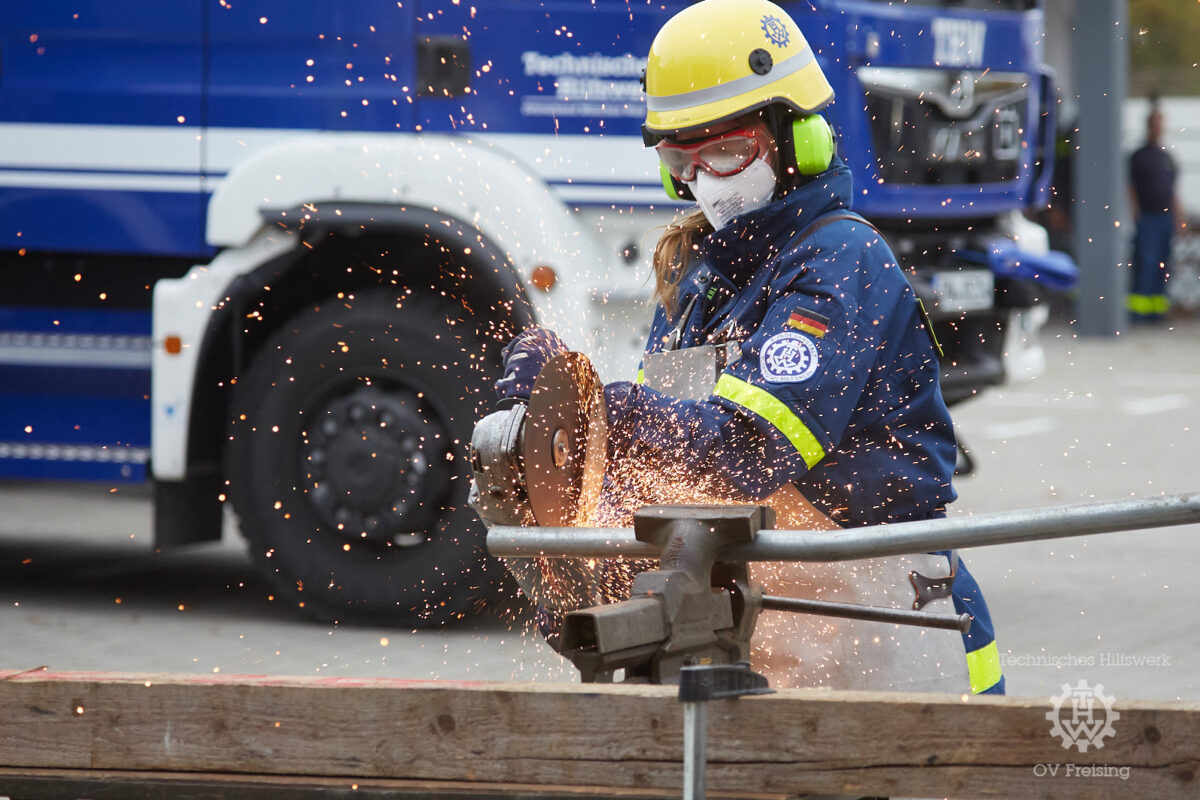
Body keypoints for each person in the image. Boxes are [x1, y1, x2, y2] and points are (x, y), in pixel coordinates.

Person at [494, 0, 1003, 695]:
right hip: (755, 631)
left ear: (802, 138)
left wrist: (599, 413)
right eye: (683, 161)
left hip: (886, 629)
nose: (708, 183)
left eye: (729, 153)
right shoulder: (697, 285)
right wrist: (546, 475)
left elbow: (749, 450)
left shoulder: (839, 259)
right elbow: (666, 473)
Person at [1128, 103, 1187, 322]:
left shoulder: (1167, 157)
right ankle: (1139, 312)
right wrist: (1133, 213)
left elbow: (1173, 190)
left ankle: (1157, 312)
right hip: (1147, 217)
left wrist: (1179, 218)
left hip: (1165, 218)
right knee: (1146, 262)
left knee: (1164, 263)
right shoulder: (1138, 156)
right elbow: (1130, 186)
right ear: (1148, 125)